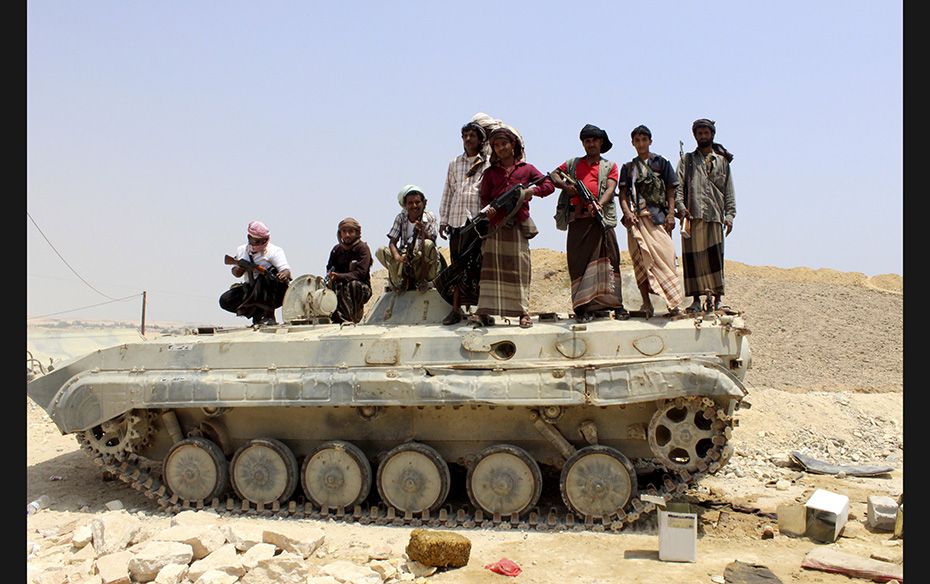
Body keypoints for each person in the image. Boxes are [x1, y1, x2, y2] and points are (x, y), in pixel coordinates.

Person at [471, 125, 554, 329]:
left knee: (519, 269)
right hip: (496, 227)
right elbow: (485, 198)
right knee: (491, 270)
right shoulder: (490, 173)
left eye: (504, 144)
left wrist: (531, 192)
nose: (501, 148)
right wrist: (489, 210)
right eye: (497, 145)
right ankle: (484, 312)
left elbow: (549, 185)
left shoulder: (526, 169)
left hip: (517, 225)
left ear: (513, 145)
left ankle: (523, 314)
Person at [550, 124, 628, 322]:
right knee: (579, 264)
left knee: (610, 261)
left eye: (594, 140)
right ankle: (582, 308)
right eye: (587, 140)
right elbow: (553, 175)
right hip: (579, 221)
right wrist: (566, 187)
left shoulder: (609, 166)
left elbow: (611, 188)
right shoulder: (573, 164)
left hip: (601, 221)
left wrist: (599, 204)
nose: (590, 143)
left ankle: (615, 305)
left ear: (601, 142)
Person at [617, 125, 684, 317]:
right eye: (637, 141)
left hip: (658, 219)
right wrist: (627, 212)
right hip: (637, 221)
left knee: (666, 258)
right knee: (640, 261)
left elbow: (671, 190)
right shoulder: (628, 168)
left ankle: (673, 304)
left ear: (650, 141)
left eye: (643, 140)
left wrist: (671, 214)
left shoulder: (661, 163)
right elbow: (623, 195)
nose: (640, 144)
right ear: (632, 143)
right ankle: (646, 303)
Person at [675, 118, 736, 313]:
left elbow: (729, 191)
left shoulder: (723, 162)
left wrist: (730, 216)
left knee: (715, 259)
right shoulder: (687, 161)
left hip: (715, 216)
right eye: (699, 133)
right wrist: (681, 207)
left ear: (712, 135)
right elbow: (678, 188)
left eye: (706, 133)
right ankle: (695, 300)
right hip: (693, 217)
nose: (703, 136)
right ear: (695, 136)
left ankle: (717, 299)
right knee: (693, 260)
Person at [437, 119, 491, 325]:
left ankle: (482, 311)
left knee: (479, 266)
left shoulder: (487, 163)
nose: (468, 139)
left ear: (480, 140)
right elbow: (448, 192)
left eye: (472, 136)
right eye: (465, 136)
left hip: (478, 221)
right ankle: (456, 309)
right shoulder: (454, 163)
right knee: (457, 266)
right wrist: (443, 220)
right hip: (456, 221)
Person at [219, 220, 292, 325]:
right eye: (257, 241)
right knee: (225, 300)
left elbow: (285, 269)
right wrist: (241, 267)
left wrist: (283, 274)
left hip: (273, 291)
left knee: (266, 277)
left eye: (264, 241)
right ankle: (257, 314)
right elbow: (236, 273)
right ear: (249, 238)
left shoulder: (274, 251)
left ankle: (269, 315)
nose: (261, 244)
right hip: (251, 289)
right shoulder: (242, 250)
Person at [375, 185, 440, 292]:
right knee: (381, 251)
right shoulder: (401, 218)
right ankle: (399, 281)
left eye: (417, 202)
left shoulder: (429, 216)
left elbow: (432, 240)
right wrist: (397, 257)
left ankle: (426, 281)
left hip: (423, 258)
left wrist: (423, 231)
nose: (414, 206)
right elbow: (392, 242)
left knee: (427, 244)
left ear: (423, 203)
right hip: (405, 257)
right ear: (405, 205)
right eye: (410, 203)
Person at [326, 217, 373, 324]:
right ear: (340, 233)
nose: (347, 235)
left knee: (352, 285)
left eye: (350, 232)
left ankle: (352, 318)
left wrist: (340, 276)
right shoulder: (336, 250)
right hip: (339, 287)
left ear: (357, 233)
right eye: (344, 231)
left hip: (360, 288)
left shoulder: (362, 249)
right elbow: (329, 268)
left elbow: (360, 274)